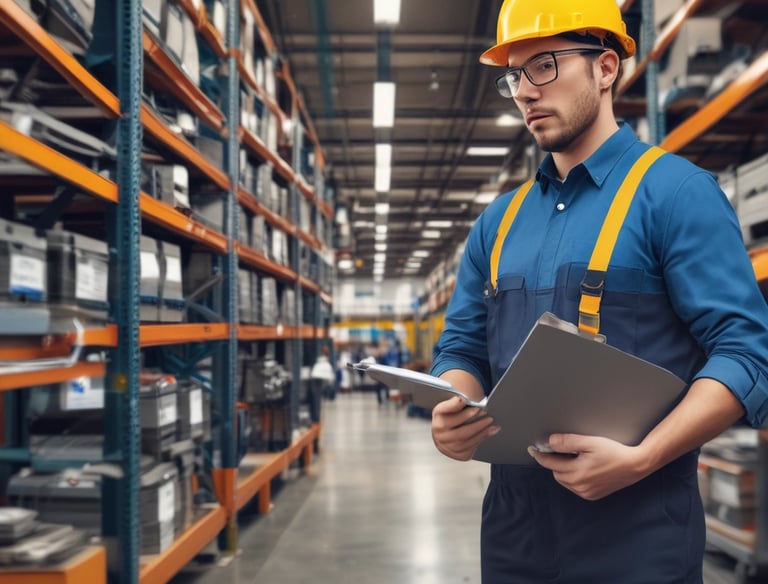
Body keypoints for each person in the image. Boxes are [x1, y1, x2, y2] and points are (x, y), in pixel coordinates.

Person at [429, 0, 768, 582]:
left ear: (605, 67)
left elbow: (745, 353)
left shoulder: (676, 194)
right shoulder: (498, 223)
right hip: (513, 531)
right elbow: (461, 351)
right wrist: (451, 408)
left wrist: (645, 458)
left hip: (638, 528)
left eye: (543, 66)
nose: (525, 93)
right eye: (514, 76)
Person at [309, 346, 334, 423]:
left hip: (317, 380)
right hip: (318, 381)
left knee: (317, 400)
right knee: (317, 400)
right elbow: (331, 378)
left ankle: (316, 418)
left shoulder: (320, 362)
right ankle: (316, 418)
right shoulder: (325, 362)